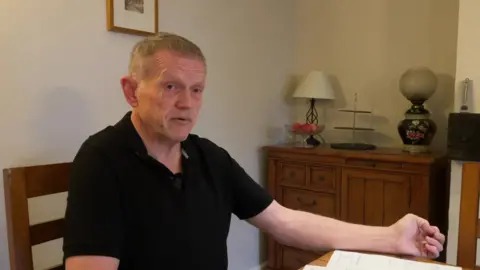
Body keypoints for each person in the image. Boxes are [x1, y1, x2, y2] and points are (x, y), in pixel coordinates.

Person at [63, 32, 445, 270]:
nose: (187, 103)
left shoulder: (210, 157)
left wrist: (393, 238)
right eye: (170, 87)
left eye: (196, 90)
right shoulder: (101, 161)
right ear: (132, 91)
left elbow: (286, 223)